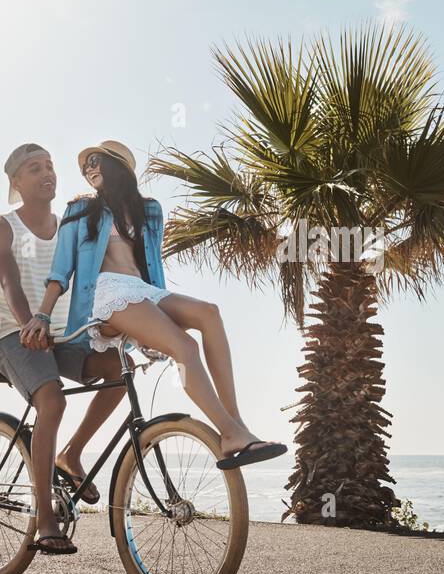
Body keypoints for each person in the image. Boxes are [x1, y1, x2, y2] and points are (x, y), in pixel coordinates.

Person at [23, 139, 286, 471]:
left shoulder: (149, 211)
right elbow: (61, 271)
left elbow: (152, 266)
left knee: (210, 313)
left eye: (95, 161)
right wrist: (42, 315)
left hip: (142, 292)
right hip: (104, 294)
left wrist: (157, 320)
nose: (88, 169)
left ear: (117, 166)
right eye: (85, 165)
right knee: (185, 346)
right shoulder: (81, 210)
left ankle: (237, 425)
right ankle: (230, 432)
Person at [0, 143, 127, 556]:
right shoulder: (1, 227)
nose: (47, 173)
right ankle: (44, 516)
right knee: (53, 401)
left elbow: (91, 279)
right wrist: (31, 321)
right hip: (11, 332)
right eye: (34, 168)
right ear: (16, 182)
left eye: (49, 166)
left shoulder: (70, 226)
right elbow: (9, 281)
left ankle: (71, 454)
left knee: (121, 368)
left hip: (63, 332)